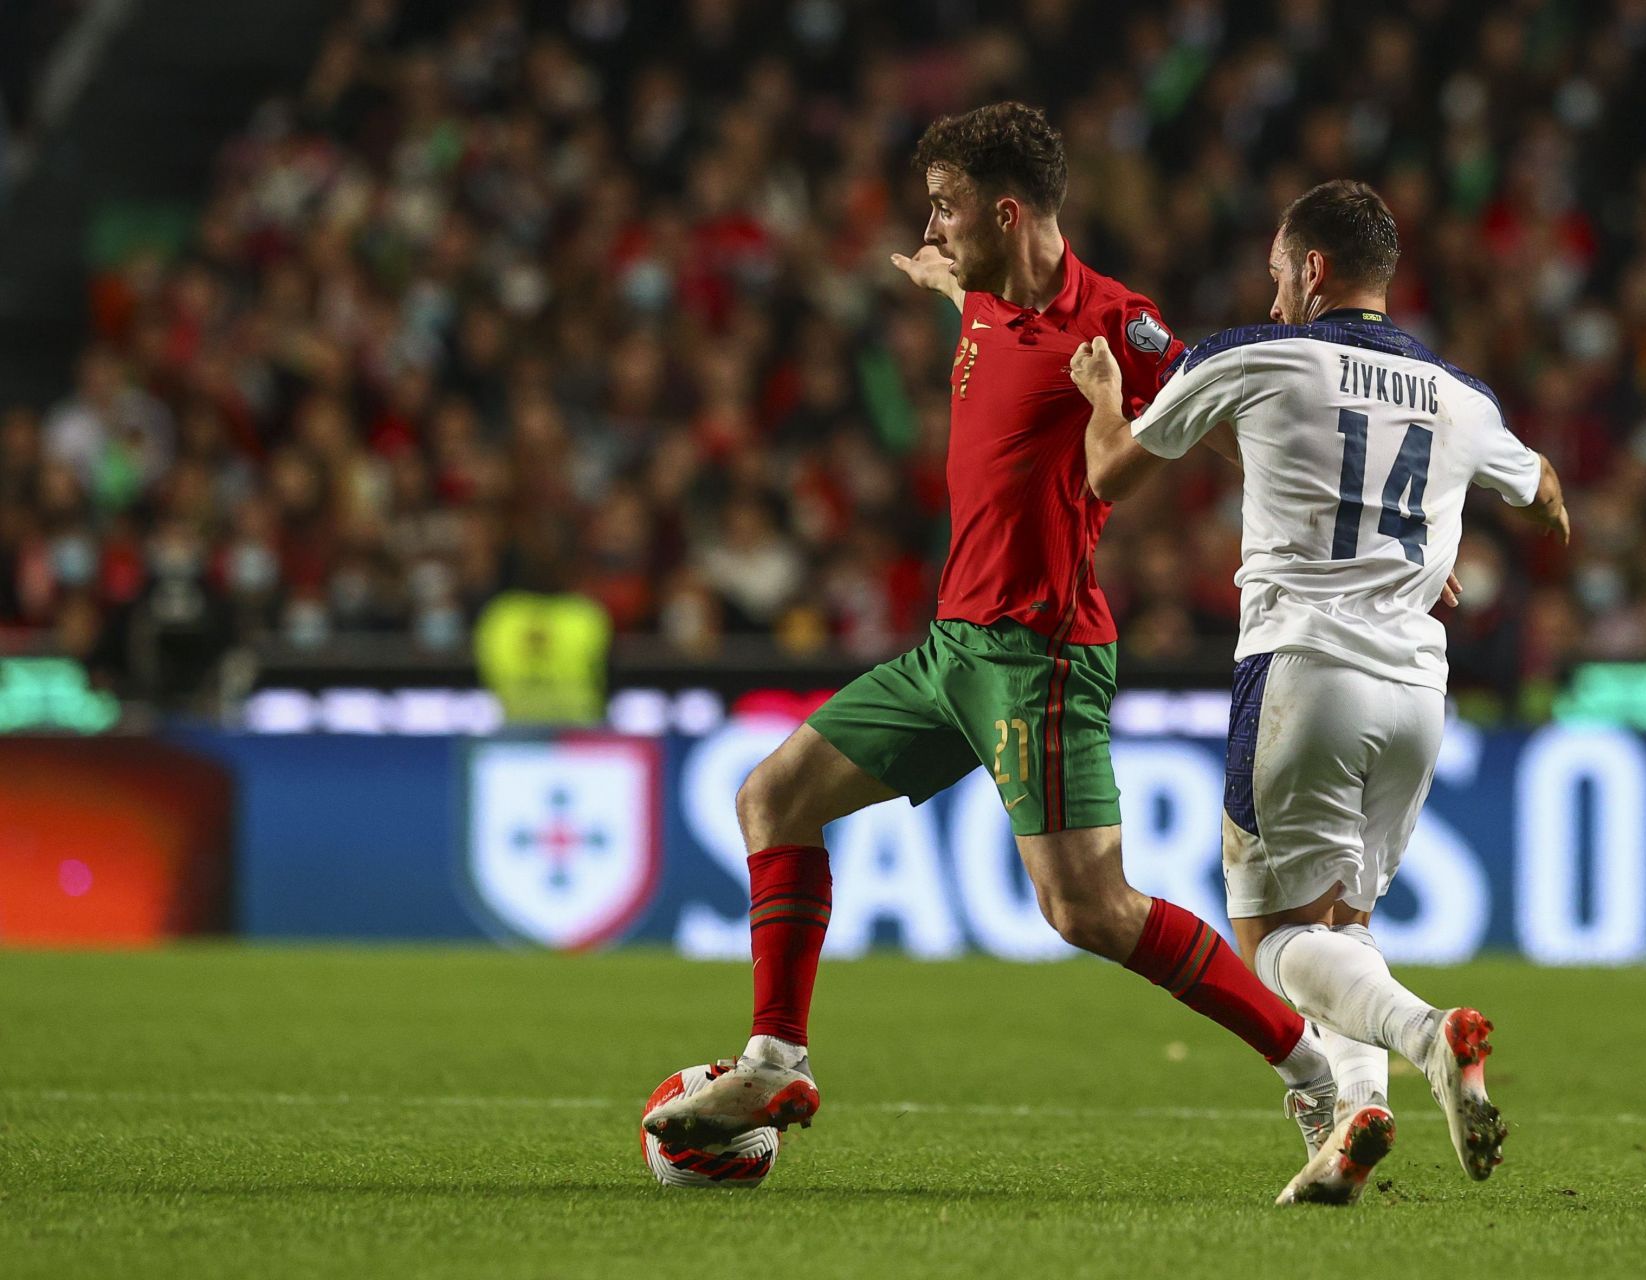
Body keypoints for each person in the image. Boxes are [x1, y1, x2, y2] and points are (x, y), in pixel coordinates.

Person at [644, 103, 1337, 1177]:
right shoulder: (980, 289)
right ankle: (777, 1056)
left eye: (947, 211)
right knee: (770, 797)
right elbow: (966, 288)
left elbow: (1222, 420)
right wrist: (941, 280)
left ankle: (1314, 1070)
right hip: (948, 651)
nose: (933, 230)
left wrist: (1366, 539)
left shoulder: (1119, 328)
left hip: (1039, 654)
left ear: (1006, 211)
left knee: (1089, 908)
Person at [1068, 179, 1572, 1205]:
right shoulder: (1463, 396)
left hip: (1302, 673)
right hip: (1418, 694)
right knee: (1342, 924)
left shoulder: (1255, 353)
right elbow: (1550, 498)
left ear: (1311, 270)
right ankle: (1349, 1129)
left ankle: (1429, 1034)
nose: (1275, 288)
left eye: (1276, 272)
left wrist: (1099, 399)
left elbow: (1112, 475)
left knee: (1274, 940)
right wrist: (1431, 552)